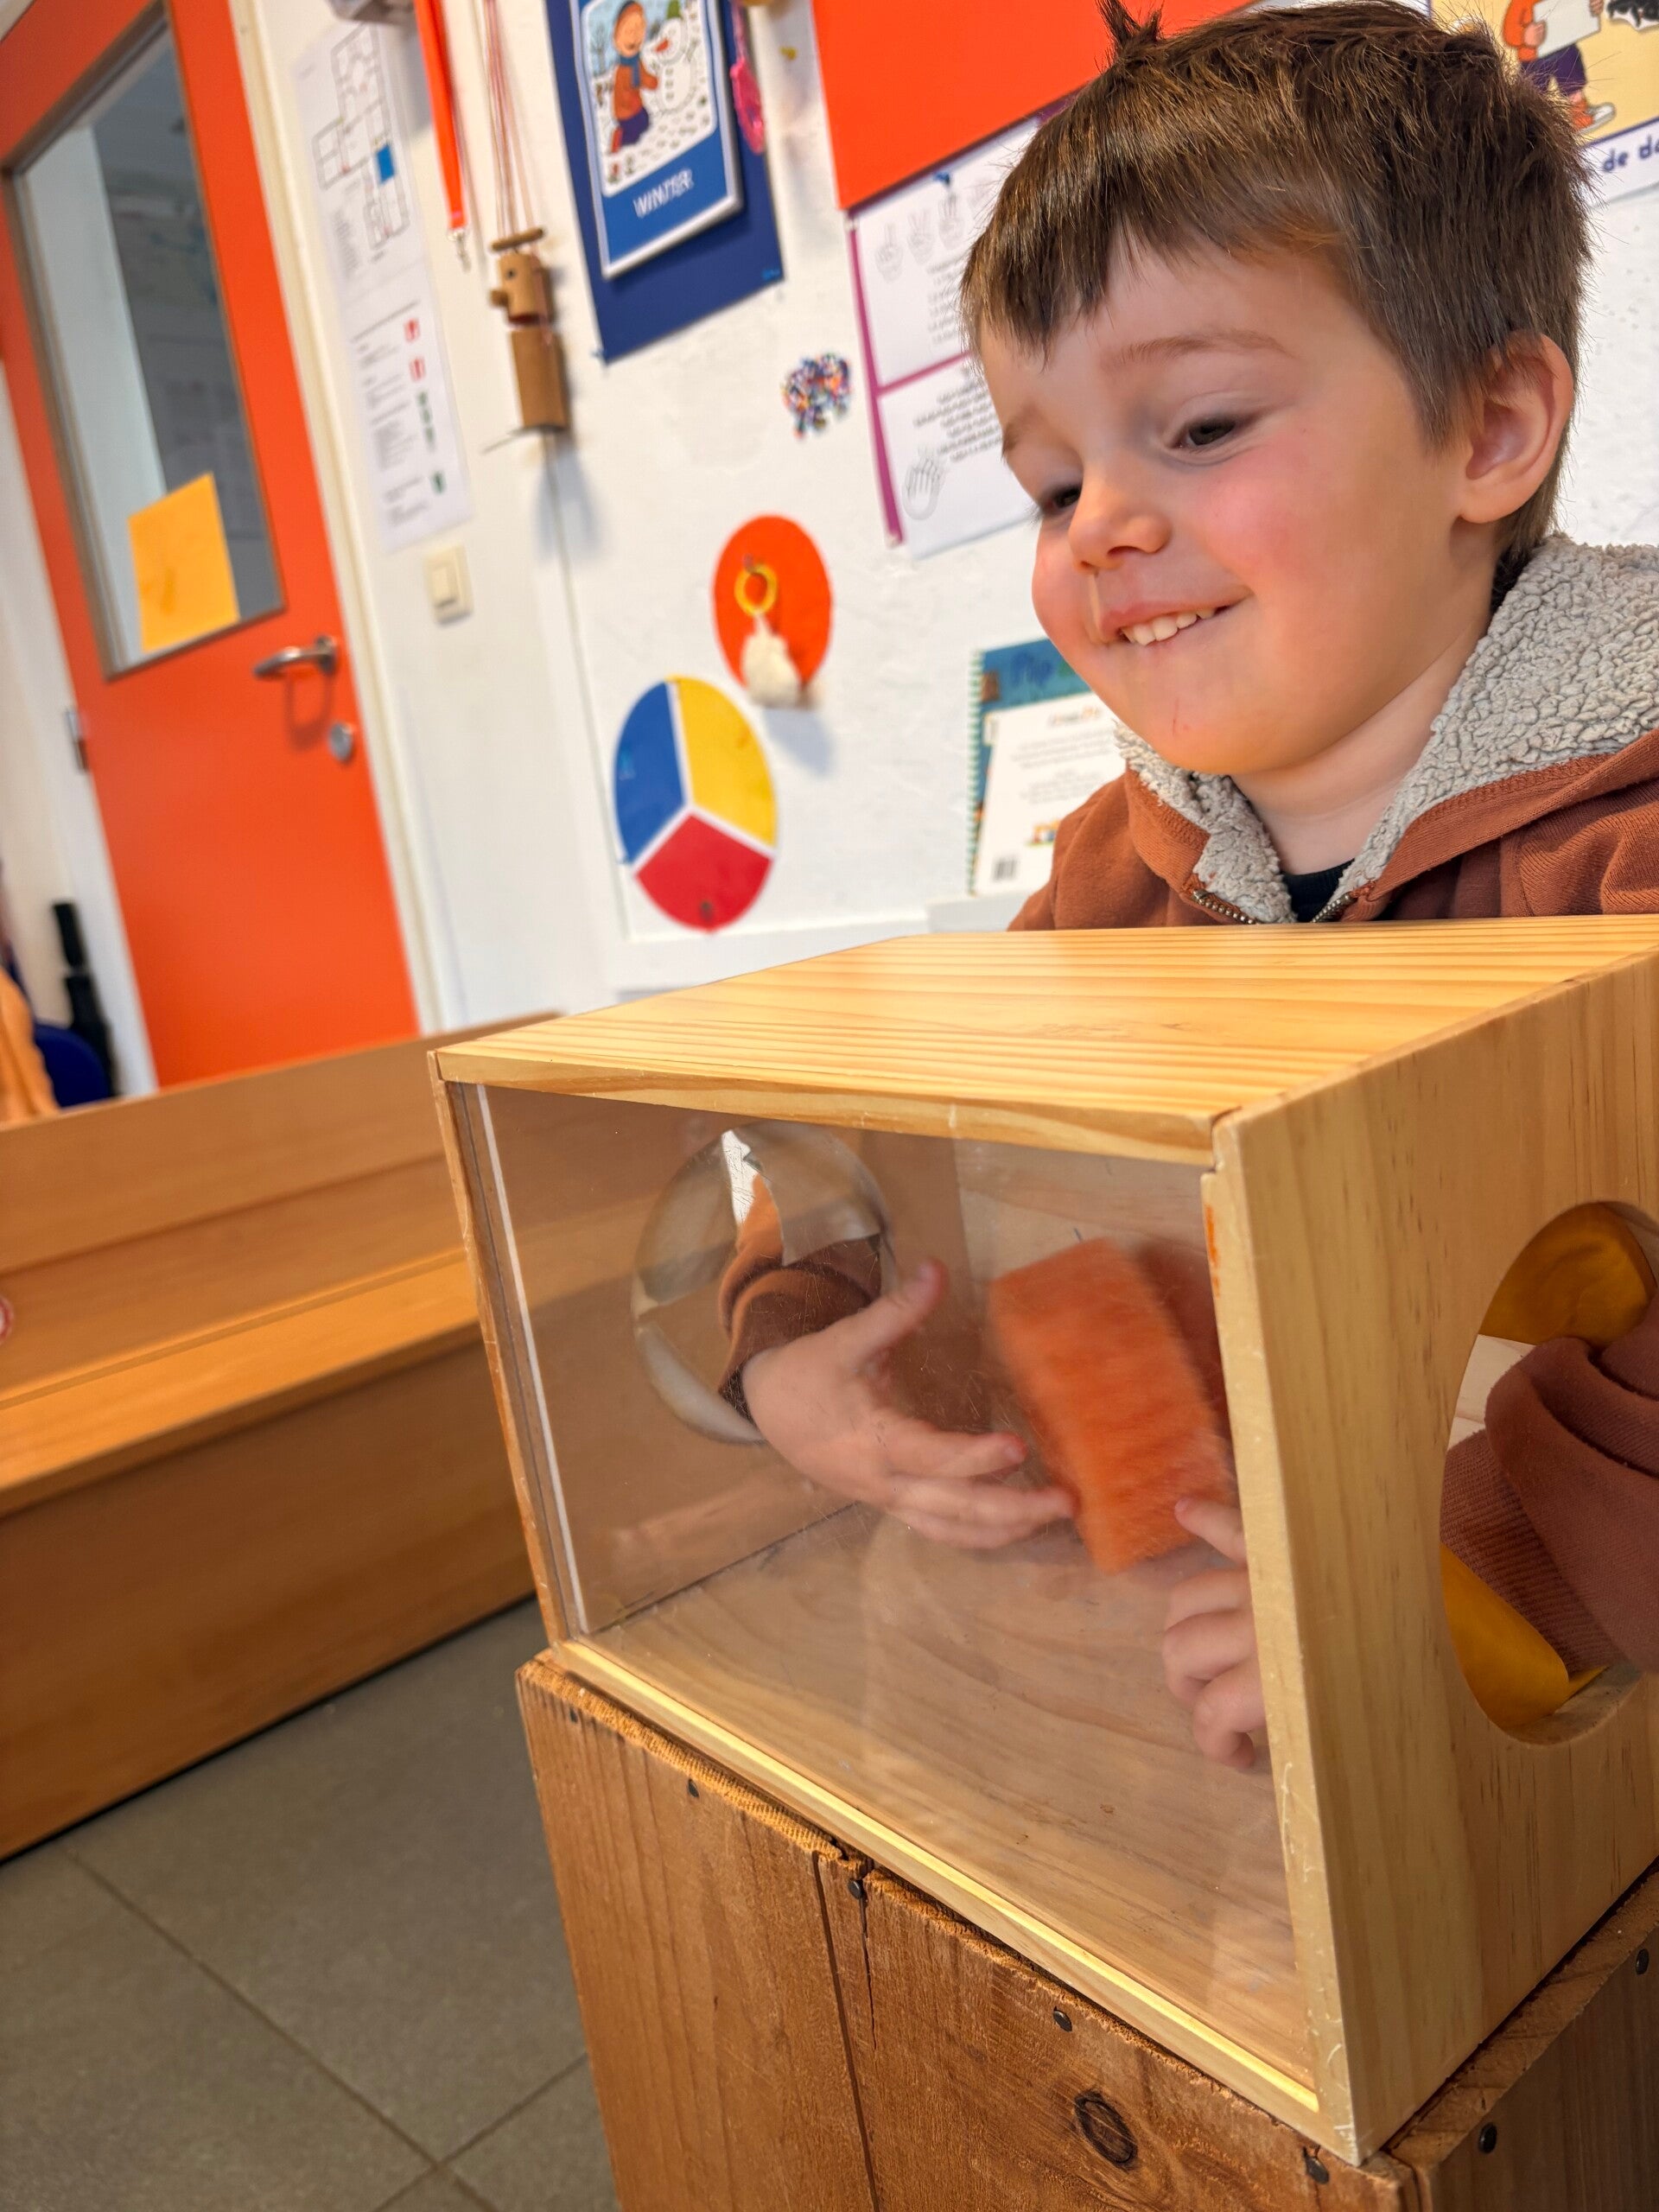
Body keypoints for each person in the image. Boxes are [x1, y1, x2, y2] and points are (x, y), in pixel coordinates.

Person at [726, 0, 1659, 1770]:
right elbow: (910, 1132)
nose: (1098, 526)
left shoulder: (1625, 857)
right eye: (1051, 481)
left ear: (1490, 428)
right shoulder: (1120, 864)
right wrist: (797, 1336)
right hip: (1221, 1670)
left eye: (1205, 424)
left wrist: (1473, 1563)